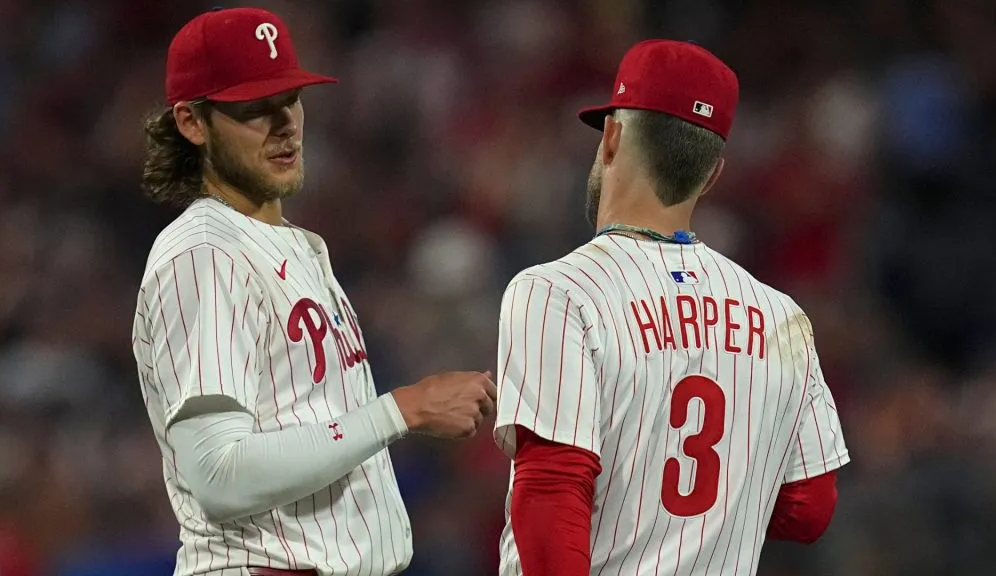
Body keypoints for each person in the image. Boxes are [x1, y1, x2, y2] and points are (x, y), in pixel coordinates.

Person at [131, 7, 496, 576]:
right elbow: (220, 477)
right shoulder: (203, 254)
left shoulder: (294, 245)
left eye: (291, 99)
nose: (285, 125)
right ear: (192, 122)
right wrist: (402, 409)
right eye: (254, 108)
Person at [492, 39, 850, 575]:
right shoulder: (781, 315)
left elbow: (551, 491)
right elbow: (810, 508)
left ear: (611, 137)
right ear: (712, 174)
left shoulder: (557, 291)